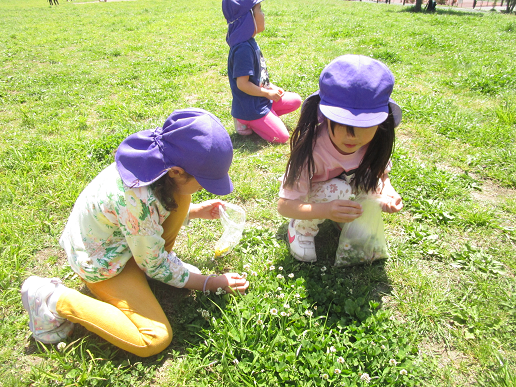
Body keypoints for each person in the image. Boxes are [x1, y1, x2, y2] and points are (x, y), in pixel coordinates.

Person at [21, 108, 249, 357]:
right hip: (102, 265)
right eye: (203, 181)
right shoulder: (136, 200)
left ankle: (148, 269)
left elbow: (144, 221)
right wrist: (208, 282)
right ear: (176, 171)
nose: (205, 188)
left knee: (182, 198)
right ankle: (51, 298)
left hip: (123, 242)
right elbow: (150, 248)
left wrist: (192, 211)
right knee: (154, 338)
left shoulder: (156, 163)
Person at [277, 55, 404, 262]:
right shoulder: (312, 151)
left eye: (366, 125)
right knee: (339, 189)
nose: (353, 137)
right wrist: (326, 209)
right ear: (324, 116)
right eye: (344, 123)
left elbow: (381, 171)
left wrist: (386, 190)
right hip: (311, 197)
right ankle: (301, 228)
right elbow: (285, 205)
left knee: (367, 182)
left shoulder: (373, 143)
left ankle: (342, 216)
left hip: (343, 188)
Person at [222, 0, 302, 143]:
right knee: (282, 137)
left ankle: (265, 118)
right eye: (260, 10)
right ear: (248, 17)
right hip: (251, 109)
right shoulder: (243, 49)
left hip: (260, 100)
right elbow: (243, 84)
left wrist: (271, 87)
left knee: (295, 100)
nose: (263, 14)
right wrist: (267, 93)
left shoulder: (250, 42)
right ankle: (245, 121)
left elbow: (258, 76)